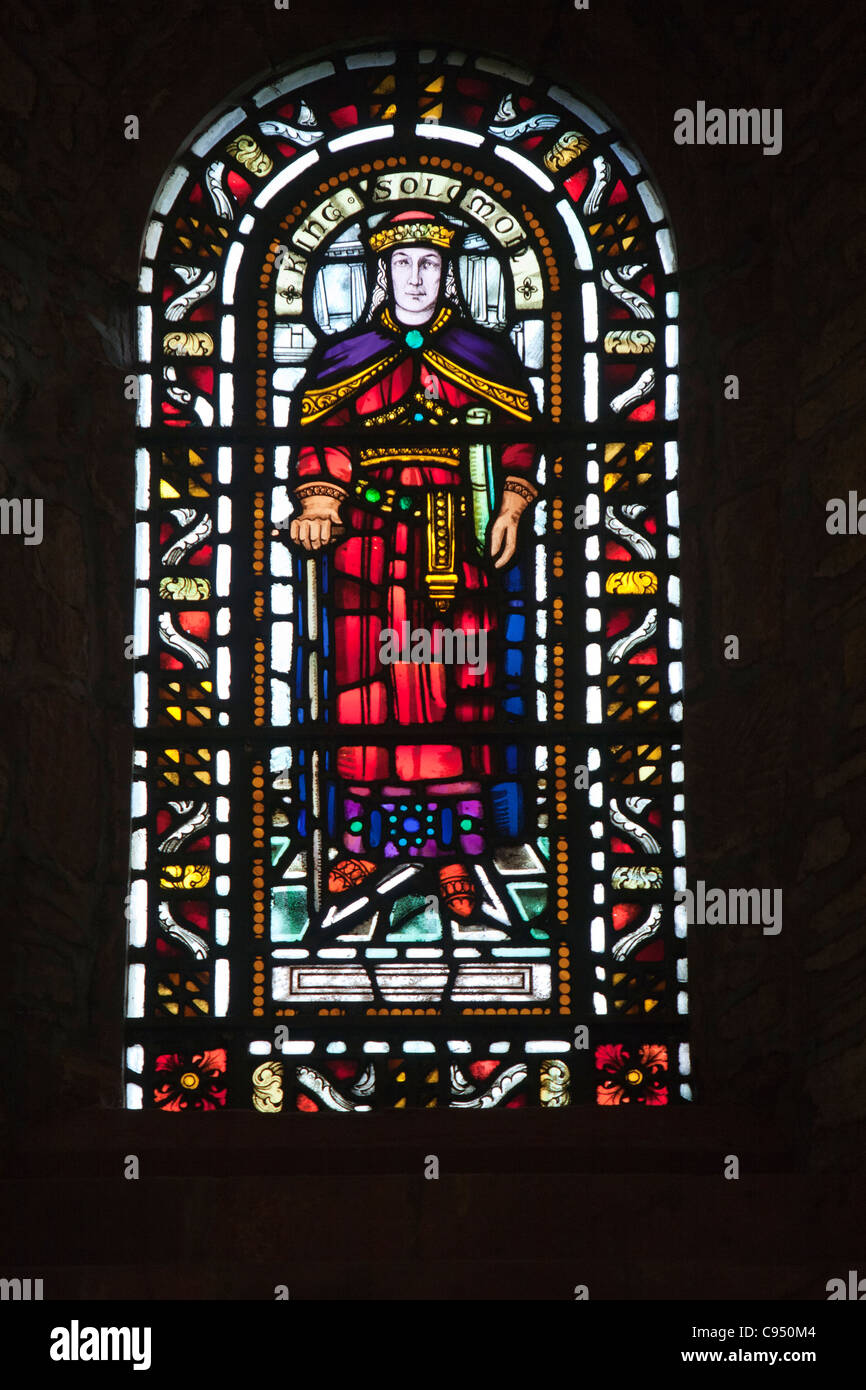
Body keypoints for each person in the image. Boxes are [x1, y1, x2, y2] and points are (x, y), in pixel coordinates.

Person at [289, 208, 539, 922]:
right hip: (367, 545)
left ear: (448, 271)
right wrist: (320, 503)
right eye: (403, 264)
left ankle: (459, 852)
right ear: (382, 272)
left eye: (429, 263)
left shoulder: (479, 353)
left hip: (454, 544)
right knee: (367, 687)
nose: (417, 276)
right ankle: (365, 842)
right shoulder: (349, 354)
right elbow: (322, 440)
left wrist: (512, 507)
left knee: (456, 686)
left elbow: (520, 439)